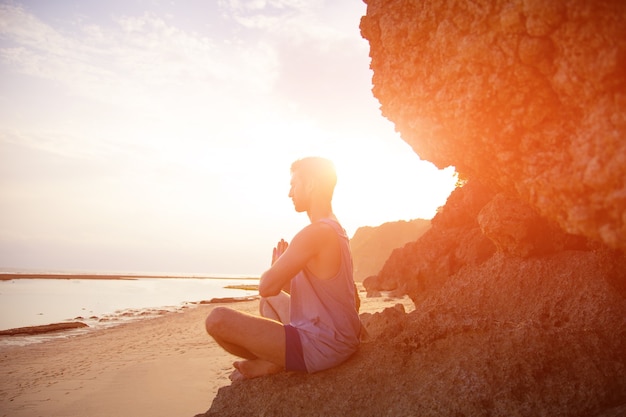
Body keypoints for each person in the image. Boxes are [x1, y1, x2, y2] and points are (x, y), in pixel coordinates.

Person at [205, 157, 361, 380]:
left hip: (324, 346)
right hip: (334, 334)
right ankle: (274, 358)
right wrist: (282, 273)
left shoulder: (315, 233)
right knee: (269, 302)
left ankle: (273, 361)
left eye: (294, 185)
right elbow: (282, 291)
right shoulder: (333, 226)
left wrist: (276, 268)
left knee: (216, 319)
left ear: (311, 185)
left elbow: (266, 286)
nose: (290, 193)